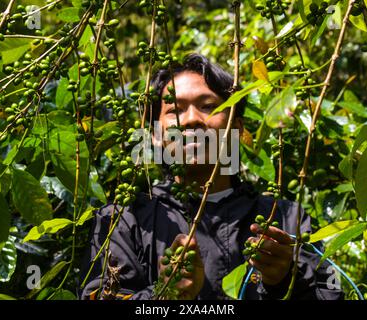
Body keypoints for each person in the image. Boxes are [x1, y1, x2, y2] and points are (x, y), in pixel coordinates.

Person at [79, 53, 344, 300]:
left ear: (237, 129)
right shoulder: (124, 221)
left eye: (208, 106)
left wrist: (286, 279)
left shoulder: (286, 218)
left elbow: (331, 292)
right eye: (175, 110)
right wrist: (162, 294)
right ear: (157, 135)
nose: (192, 120)